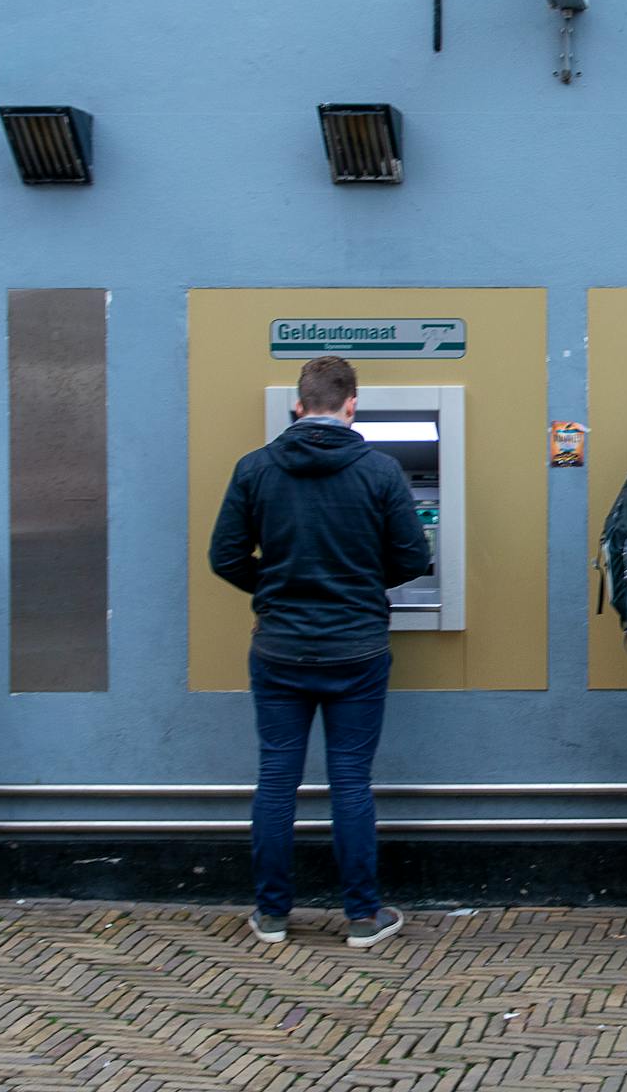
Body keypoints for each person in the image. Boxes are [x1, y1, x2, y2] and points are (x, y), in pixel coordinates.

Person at [208, 355, 431, 947]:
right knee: (351, 782)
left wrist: (280, 587)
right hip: (355, 649)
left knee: (276, 780)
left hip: (279, 649)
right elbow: (413, 557)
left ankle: (272, 915)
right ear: (351, 405)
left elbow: (224, 557)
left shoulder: (255, 469)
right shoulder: (380, 471)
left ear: (298, 404)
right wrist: (356, 583)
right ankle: (362, 917)